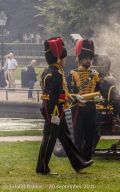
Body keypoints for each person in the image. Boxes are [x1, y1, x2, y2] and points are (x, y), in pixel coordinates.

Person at [36, 37, 94, 175]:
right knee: (49, 139)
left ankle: (78, 163)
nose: (65, 60)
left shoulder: (48, 71)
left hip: (55, 109)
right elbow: (54, 98)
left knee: (66, 138)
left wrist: (75, 96)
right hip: (54, 110)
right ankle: (42, 168)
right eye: (63, 58)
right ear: (57, 59)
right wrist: (54, 114)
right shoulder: (55, 74)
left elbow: (63, 94)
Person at [66, 39, 100, 161]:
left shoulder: (95, 74)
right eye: (86, 58)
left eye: (90, 58)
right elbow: (67, 92)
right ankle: (77, 159)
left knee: (90, 134)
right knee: (78, 135)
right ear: (80, 59)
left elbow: (98, 90)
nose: (88, 61)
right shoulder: (72, 74)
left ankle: (86, 157)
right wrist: (75, 96)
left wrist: (98, 97)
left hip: (91, 107)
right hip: (77, 107)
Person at [92, 54, 120, 149]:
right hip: (104, 117)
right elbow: (116, 101)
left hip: (89, 113)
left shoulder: (89, 81)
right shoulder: (110, 85)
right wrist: (117, 115)